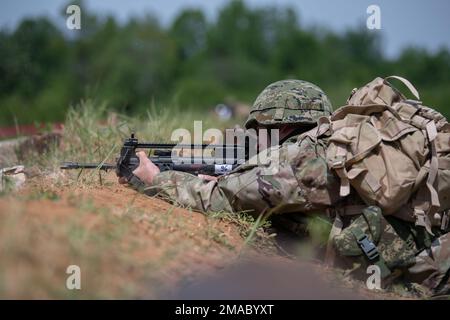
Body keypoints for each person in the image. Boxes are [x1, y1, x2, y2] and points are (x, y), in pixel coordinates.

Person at [122, 78, 450, 296]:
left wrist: (153, 177)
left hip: (424, 282)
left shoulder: (297, 159)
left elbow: (213, 199)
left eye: (260, 131)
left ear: (281, 128)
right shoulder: (343, 146)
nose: (256, 141)